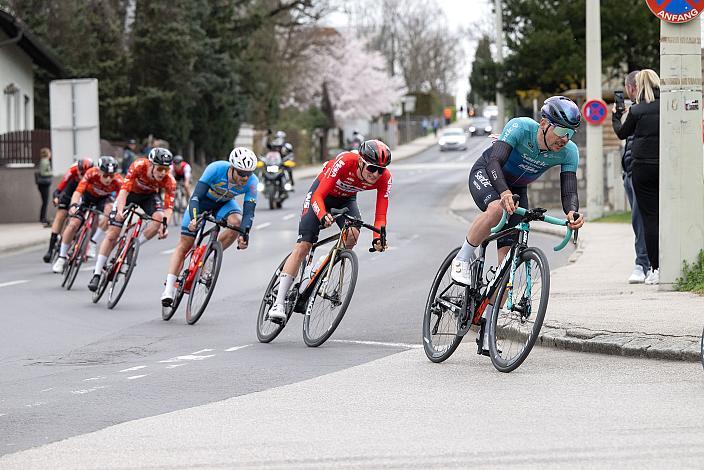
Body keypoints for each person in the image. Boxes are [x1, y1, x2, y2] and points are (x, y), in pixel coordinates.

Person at [450, 96, 585, 352]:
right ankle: (463, 258)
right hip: (488, 174)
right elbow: (494, 162)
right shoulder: (522, 127)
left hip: (517, 188)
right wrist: (502, 192)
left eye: (570, 133)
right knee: (495, 208)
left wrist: (572, 213)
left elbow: (569, 190)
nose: (565, 138)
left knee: (507, 268)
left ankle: (488, 329)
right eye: (561, 131)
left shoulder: (569, 152)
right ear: (544, 123)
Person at [266, 139, 392, 324]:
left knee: (352, 235)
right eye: (372, 168)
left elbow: (380, 215)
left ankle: (318, 269)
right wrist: (323, 214)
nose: (376, 174)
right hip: (321, 195)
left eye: (380, 170)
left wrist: (377, 237)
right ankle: (278, 303)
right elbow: (318, 196)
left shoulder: (385, 178)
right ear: (360, 162)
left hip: (346, 200)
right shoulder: (345, 162)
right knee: (304, 244)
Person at [160, 148, 258, 306]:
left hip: (224, 204)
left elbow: (249, 212)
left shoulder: (252, 182)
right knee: (185, 244)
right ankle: (169, 289)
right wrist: (193, 219)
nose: (245, 177)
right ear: (232, 167)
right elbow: (196, 196)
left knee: (237, 223)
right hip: (202, 202)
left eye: (249, 173)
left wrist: (244, 234)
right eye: (241, 173)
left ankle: (210, 257)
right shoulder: (216, 168)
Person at [87, 148, 175, 292]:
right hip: (130, 194)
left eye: (166, 169)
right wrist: (120, 211)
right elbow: (124, 190)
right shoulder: (139, 166)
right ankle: (96, 274)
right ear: (151, 164)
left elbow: (168, 207)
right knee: (113, 233)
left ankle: (133, 246)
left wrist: (164, 226)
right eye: (160, 168)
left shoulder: (169, 179)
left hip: (149, 197)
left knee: (159, 218)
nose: (163, 173)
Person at [613, 69, 661, 285]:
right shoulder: (669, 107)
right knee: (668, 217)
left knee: (649, 220)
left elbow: (622, 133)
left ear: (637, 86)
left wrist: (616, 116)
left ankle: (655, 268)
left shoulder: (637, 110)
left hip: (642, 168)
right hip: (666, 166)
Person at [51, 156, 123, 273]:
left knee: (110, 210)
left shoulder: (118, 180)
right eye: (105, 175)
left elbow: (121, 199)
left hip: (103, 199)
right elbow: (78, 192)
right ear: (99, 171)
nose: (108, 179)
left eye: (111, 175)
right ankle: (61, 257)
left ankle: (93, 241)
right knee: (74, 224)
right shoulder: (91, 173)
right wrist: (74, 205)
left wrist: (117, 213)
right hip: (87, 197)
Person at [42, 158, 94, 263]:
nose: (82, 176)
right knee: (61, 214)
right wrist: (56, 197)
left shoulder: (94, 175)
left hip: (85, 191)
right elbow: (60, 188)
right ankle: (50, 249)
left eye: (85, 174)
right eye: (81, 173)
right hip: (72, 188)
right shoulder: (73, 171)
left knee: (79, 218)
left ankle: (74, 243)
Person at [35, 147, 53, 226]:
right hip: (44, 184)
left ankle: (43, 217)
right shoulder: (45, 162)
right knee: (45, 201)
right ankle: (43, 218)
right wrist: (51, 173)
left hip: (42, 184)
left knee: (44, 201)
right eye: (49, 152)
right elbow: (43, 173)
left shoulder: (43, 161)